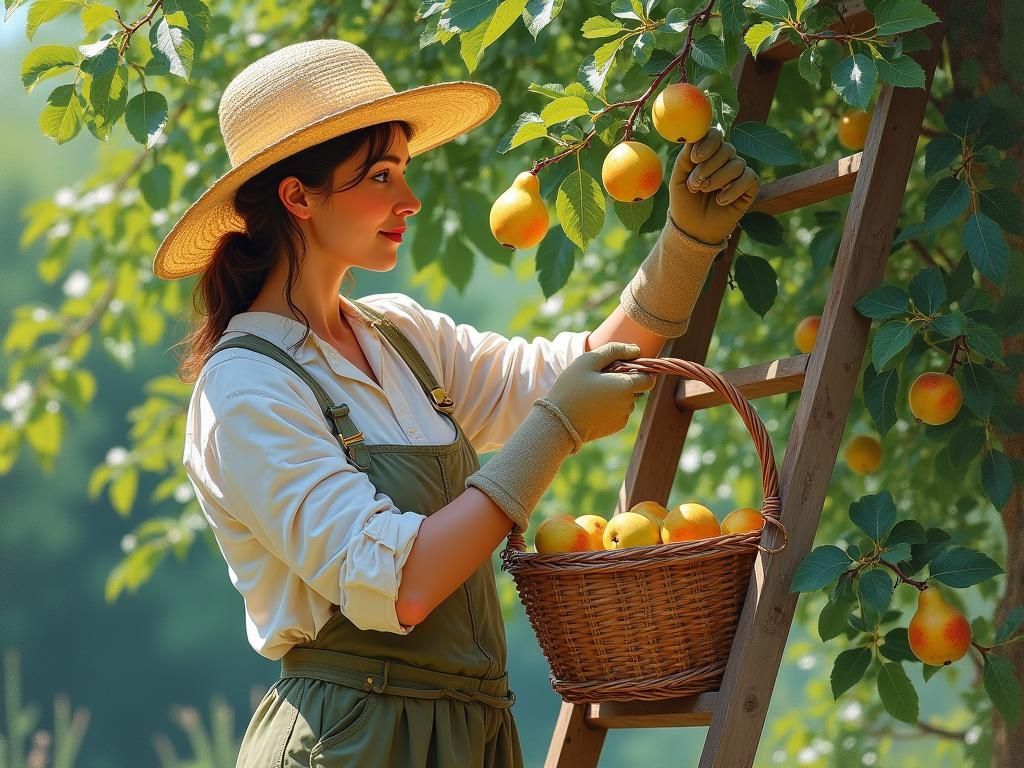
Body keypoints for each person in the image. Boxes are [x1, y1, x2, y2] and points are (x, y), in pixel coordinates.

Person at [156, 39, 759, 768]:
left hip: (472, 732)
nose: (408, 200)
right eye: (380, 176)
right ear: (297, 197)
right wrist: (556, 431)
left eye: (403, 173)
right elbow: (403, 585)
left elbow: (577, 371)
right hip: (351, 740)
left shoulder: (402, 336)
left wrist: (686, 241)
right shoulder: (245, 388)